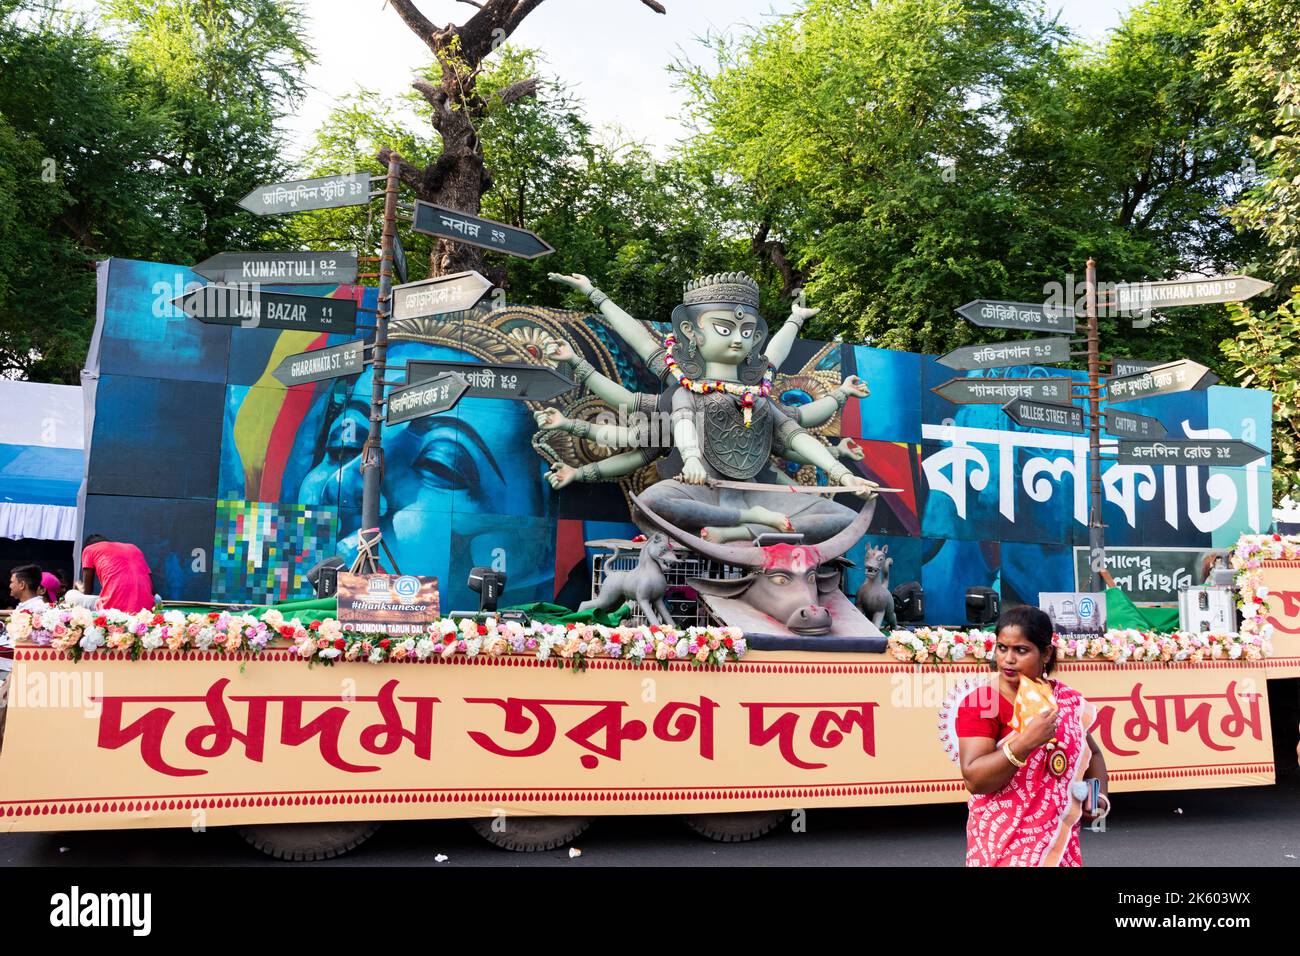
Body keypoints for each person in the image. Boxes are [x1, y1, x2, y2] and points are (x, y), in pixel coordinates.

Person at [953, 604, 1109, 866]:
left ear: (1045, 653)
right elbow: (974, 778)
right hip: (1002, 845)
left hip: (1058, 846)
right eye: (1002, 648)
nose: (1007, 659)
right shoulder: (982, 702)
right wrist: (1024, 743)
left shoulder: (1066, 700)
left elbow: (1091, 754)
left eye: (1021, 650)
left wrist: (1096, 798)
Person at [80, 535, 155, 613]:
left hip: (112, 609)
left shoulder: (89, 549)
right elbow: (152, 589)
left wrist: (80, 588)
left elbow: (87, 592)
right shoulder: (134, 547)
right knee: (157, 598)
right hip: (145, 610)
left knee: (71, 594)